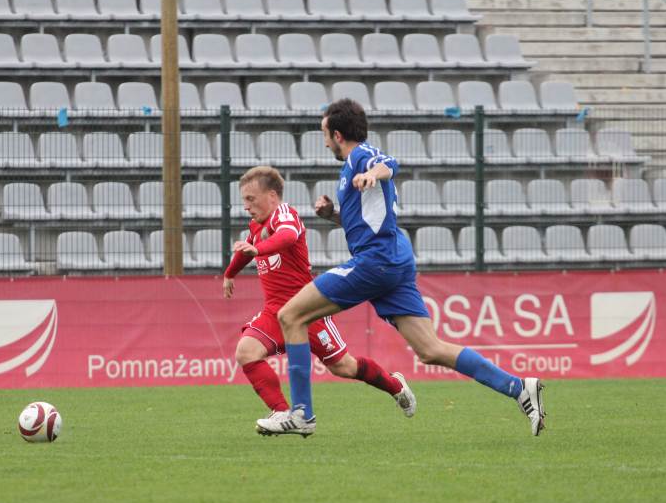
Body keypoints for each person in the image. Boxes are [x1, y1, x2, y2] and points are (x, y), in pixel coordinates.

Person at [255, 99, 546, 438]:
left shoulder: (361, 156)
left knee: (291, 316)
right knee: (430, 349)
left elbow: (389, 164)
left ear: (337, 134)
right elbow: (366, 218)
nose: (324, 143)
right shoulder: (352, 167)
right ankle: (519, 387)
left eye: (324, 135)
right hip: (393, 258)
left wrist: (370, 173)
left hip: (375, 261)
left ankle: (302, 413)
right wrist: (333, 214)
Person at [223, 165, 416, 436]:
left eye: (250, 199)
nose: (246, 206)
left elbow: (288, 236)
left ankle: (395, 386)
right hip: (275, 312)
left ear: (272, 196)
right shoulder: (257, 227)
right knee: (246, 352)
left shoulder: (284, 215)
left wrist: (258, 248)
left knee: (344, 367)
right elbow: (247, 250)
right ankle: (282, 412)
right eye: (244, 200)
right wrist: (230, 273)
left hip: (306, 309)